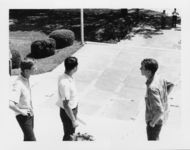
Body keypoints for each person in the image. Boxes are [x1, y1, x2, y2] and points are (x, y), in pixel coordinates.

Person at [140, 58, 174, 140]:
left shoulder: (152, 88)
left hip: (155, 121)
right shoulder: (158, 77)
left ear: (148, 71)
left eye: (142, 67)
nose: (140, 69)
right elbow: (171, 85)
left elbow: (159, 111)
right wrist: (163, 98)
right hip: (160, 118)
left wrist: (152, 124)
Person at [9, 59, 36, 141]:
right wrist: (22, 112)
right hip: (23, 116)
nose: (36, 69)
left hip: (30, 114)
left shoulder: (26, 78)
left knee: (28, 139)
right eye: (34, 68)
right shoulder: (18, 84)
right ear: (27, 71)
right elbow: (10, 104)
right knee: (32, 140)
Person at [56, 56, 79, 141]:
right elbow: (66, 105)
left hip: (71, 110)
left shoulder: (65, 76)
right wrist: (73, 120)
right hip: (68, 113)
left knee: (71, 135)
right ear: (74, 68)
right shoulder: (65, 83)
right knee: (69, 136)